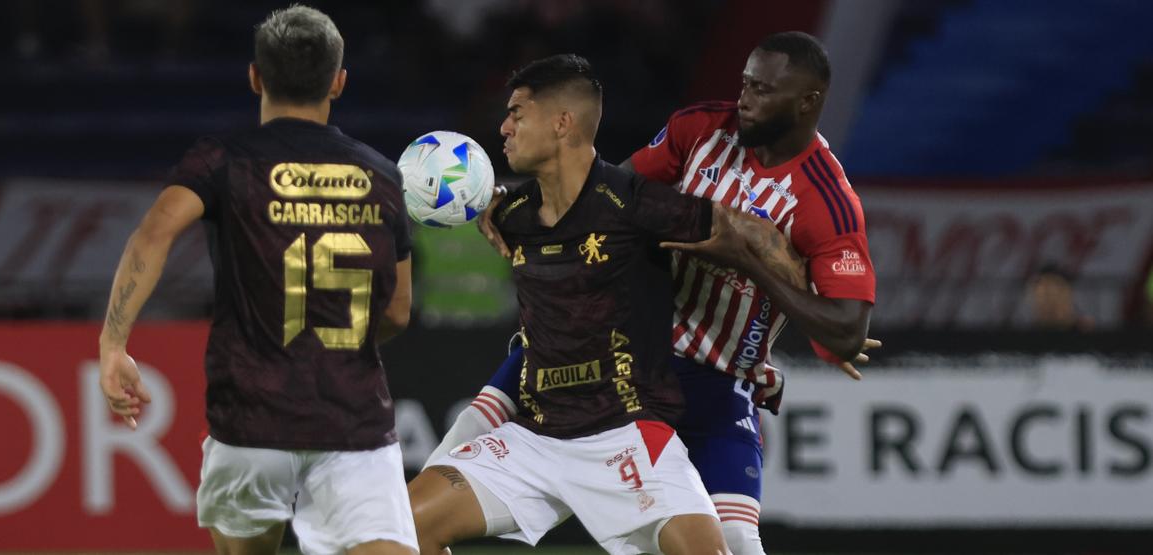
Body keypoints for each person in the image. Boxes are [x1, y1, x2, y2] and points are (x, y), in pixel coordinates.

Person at [441, 32, 879, 554]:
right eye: (744, 83)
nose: (744, 99)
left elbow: (847, 331)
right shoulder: (700, 129)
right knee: (452, 451)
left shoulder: (826, 200)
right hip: (608, 342)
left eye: (762, 90)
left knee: (736, 540)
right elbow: (601, 201)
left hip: (714, 378)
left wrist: (746, 261)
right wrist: (515, 208)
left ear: (808, 102)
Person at [96, 6, 418, 555]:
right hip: (353, 426)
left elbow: (152, 235)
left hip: (250, 422)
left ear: (255, 76)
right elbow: (396, 312)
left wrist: (113, 343)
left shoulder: (224, 160)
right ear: (339, 82)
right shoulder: (382, 175)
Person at [408, 54, 731, 555]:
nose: (504, 127)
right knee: (404, 528)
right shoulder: (512, 212)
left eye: (516, 113)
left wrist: (819, 303)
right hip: (535, 439)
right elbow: (496, 201)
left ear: (562, 122)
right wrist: (483, 196)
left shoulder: (637, 204)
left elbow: (742, 236)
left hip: (625, 436)